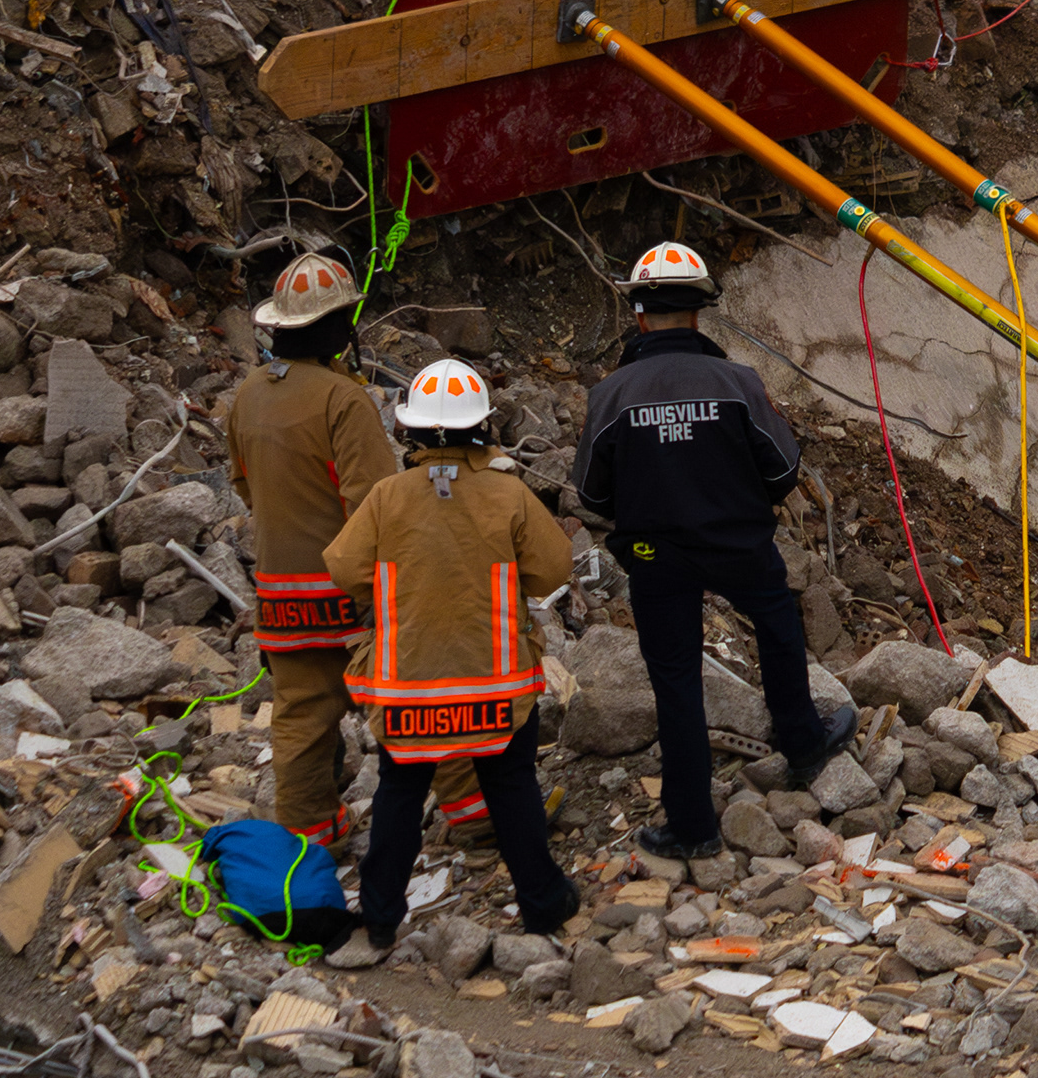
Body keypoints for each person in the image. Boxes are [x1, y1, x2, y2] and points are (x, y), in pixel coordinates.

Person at [571, 241, 859, 862]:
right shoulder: (738, 383)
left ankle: (693, 825)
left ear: (640, 315)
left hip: (654, 557)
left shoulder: (611, 395)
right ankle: (804, 742)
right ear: (698, 315)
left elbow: (591, 491)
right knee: (778, 624)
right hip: (738, 544)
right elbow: (783, 468)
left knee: (675, 679)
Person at [321, 359, 582, 961]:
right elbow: (552, 569)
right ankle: (543, 903)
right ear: (483, 429)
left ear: (409, 431)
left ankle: (381, 918)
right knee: (512, 788)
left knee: (398, 794)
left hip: (409, 690)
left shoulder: (387, 496)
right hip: (497, 689)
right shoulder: (508, 493)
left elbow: (344, 570)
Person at [224, 252, 399, 850]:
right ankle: (473, 818)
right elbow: (375, 507)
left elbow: (244, 483)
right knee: (403, 701)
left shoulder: (247, 395)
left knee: (301, 717)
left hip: (278, 592)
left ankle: (308, 837)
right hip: (347, 595)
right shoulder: (344, 401)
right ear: (340, 328)